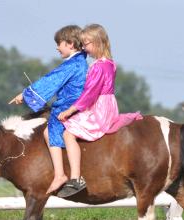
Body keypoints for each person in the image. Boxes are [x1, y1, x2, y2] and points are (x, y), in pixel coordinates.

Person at [55, 24, 143, 198]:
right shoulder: (111, 64)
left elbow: (89, 95)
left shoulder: (97, 67)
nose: (84, 48)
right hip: (109, 106)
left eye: (86, 44)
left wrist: (70, 110)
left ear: (96, 43)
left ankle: (75, 178)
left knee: (68, 134)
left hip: (98, 109)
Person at [9, 25, 88, 194]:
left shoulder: (72, 65)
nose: (57, 47)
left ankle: (60, 175)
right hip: (74, 102)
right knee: (46, 132)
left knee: (51, 129)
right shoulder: (79, 61)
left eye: (59, 43)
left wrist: (25, 94)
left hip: (69, 105)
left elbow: (51, 80)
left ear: (71, 44)